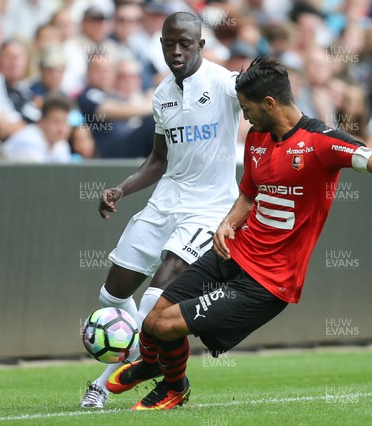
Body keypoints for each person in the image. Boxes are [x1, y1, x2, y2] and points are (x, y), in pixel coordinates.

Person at [106, 56, 372, 411]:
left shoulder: (322, 143)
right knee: (154, 317)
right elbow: (249, 193)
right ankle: (155, 367)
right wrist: (228, 222)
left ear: (269, 103)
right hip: (233, 251)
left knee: (165, 326)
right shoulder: (257, 139)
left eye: (247, 109)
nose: (244, 116)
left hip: (268, 281)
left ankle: (173, 388)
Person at [79, 11, 241, 408]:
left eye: (185, 43)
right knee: (111, 294)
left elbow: (272, 108)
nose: (176, 50)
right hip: (166, 201)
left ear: (200, 44)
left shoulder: (225, 85)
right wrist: (121, 189)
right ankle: (141, 352)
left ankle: (106, 383)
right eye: (169, 43)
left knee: (155, 301)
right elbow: (158, 159)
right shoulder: (162, 94)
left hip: (209, 208)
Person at [3, 95, 73, 163]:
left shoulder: (61, 143)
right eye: (56, 121)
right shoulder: (27, 141)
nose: (61, 128)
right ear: (42, 122)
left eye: (64, 122)